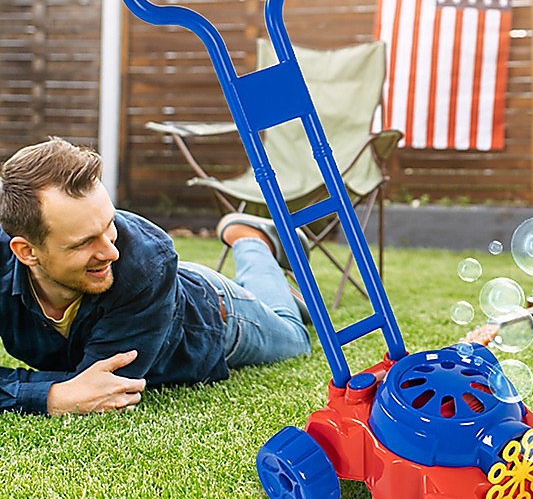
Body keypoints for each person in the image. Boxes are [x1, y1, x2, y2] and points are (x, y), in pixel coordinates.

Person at [0, 137, 311, 416]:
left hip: (218, 314)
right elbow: (77, 389)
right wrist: (54, 396)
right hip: (167, 295)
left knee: (297, 340)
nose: (112, 252)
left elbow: (102, 387)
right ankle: (275, 285)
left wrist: (38, 393)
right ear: (26, 252)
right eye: (84, 242)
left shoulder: (147, 265)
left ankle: (252, 242)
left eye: (110, 225)